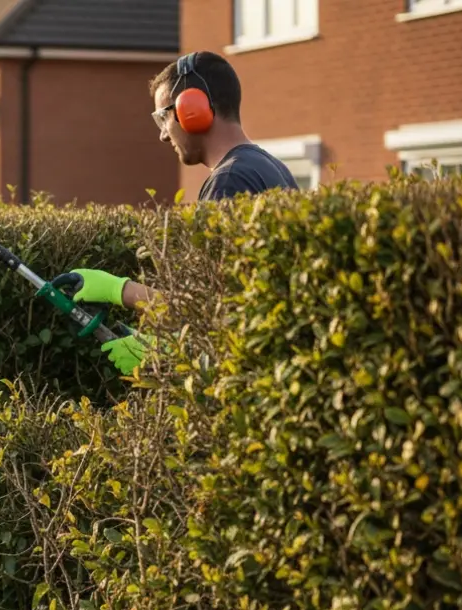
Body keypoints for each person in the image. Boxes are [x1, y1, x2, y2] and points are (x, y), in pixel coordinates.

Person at [55, 51, 298, 376]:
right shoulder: (270, 167)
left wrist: (119, 291)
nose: (163, 134)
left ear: (192, 109)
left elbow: (211, 308)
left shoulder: (229, 180)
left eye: (163, 117)